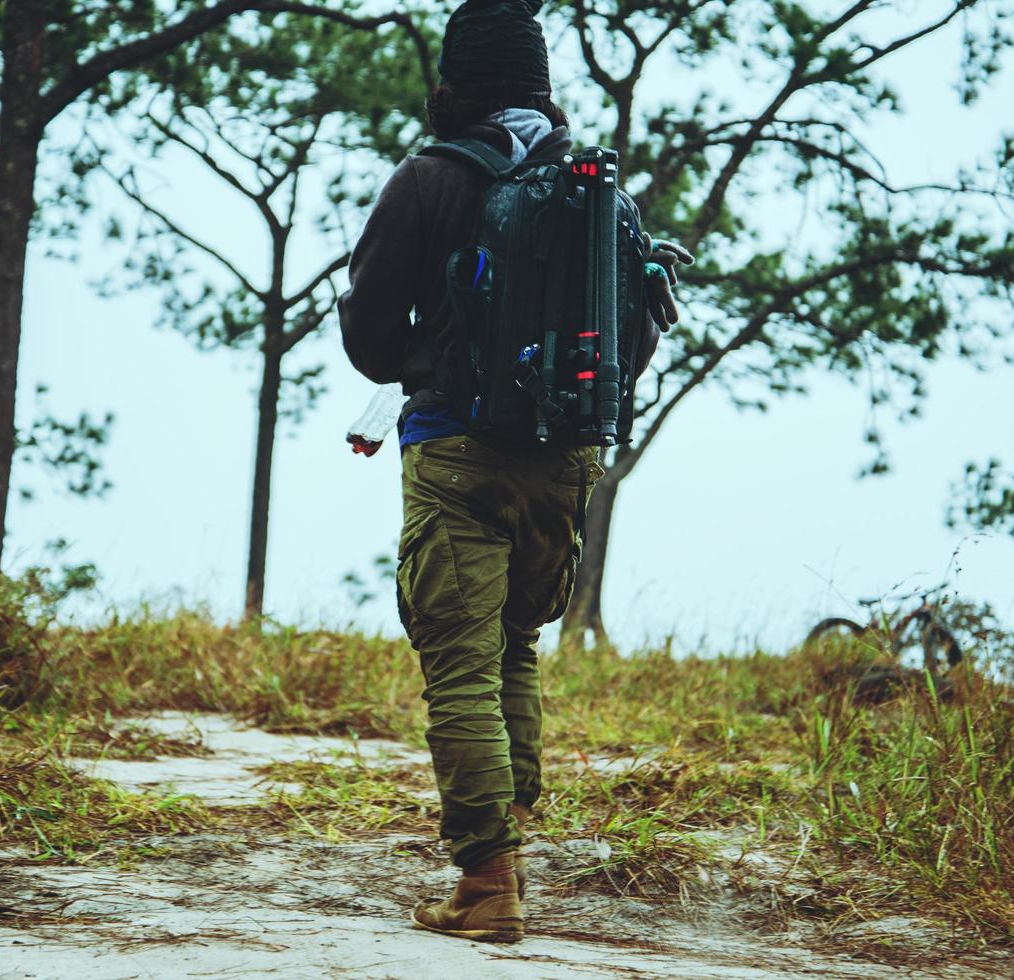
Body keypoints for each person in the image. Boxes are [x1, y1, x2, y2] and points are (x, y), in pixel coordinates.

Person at [338, 0, 689, 943]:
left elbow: (371, 342)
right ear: (539, 85)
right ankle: (509, 847)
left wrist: (428, 357)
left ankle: (488, 886)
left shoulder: (430, 179)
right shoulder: (598, 190)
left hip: (457, 451)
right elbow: (634, 335)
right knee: (512, 647)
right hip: (564, 463)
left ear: (452, 86)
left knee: (457, 663)